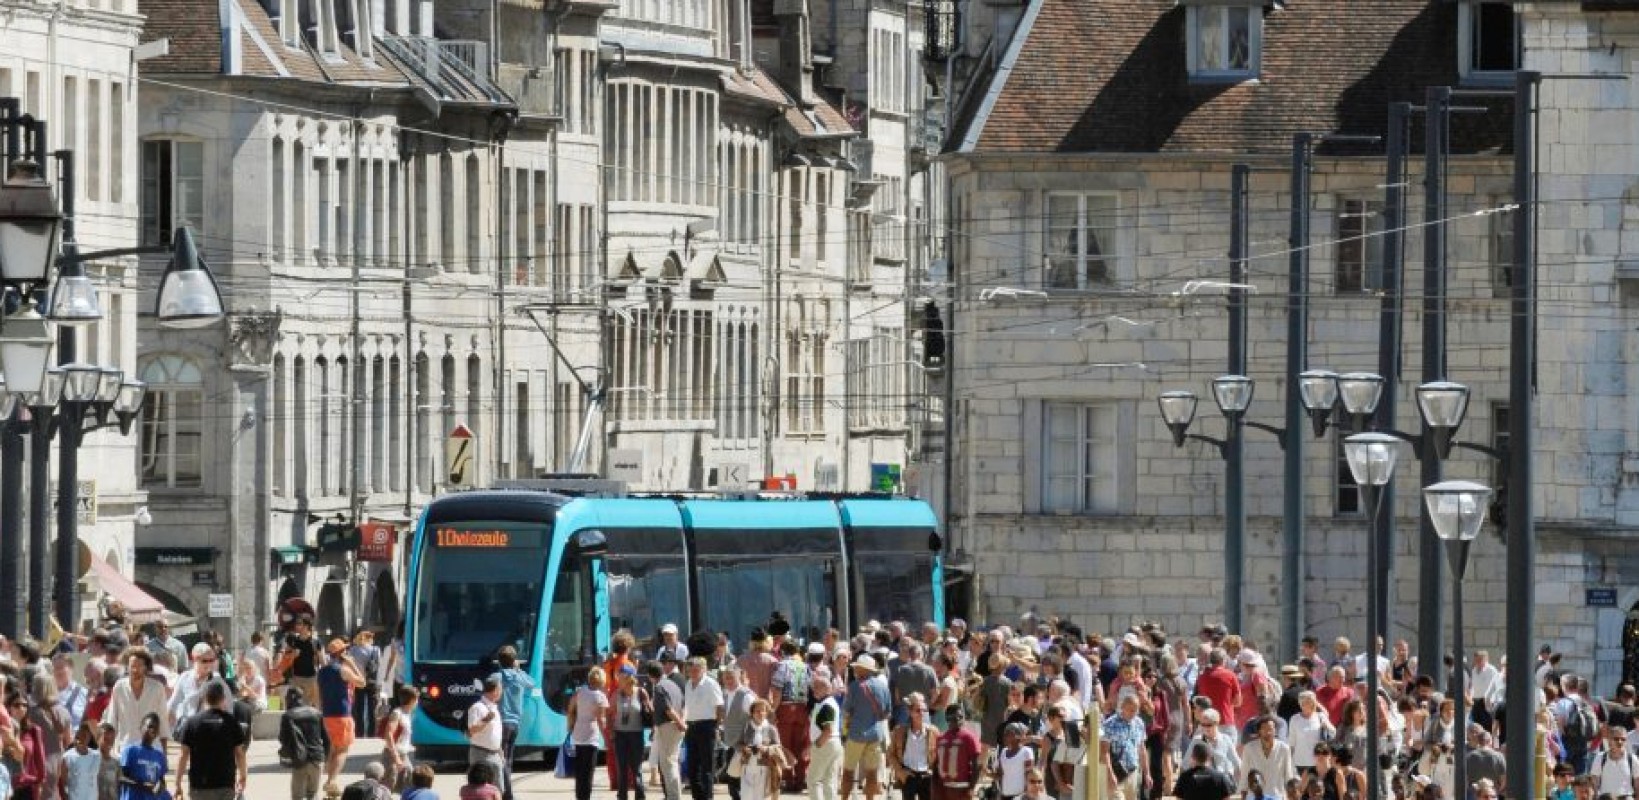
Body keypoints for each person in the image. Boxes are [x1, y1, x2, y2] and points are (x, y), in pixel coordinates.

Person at [174, 681, 247, 800]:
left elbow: (183, 755)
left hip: (199, 786)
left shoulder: (192, 722)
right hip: (225, 784)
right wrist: (243, 776)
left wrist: (178, 782)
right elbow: (240, 753)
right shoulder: (231, 722)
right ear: (223, 698)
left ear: (204, 698)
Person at [841, 654, 892, 800]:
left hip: (856, 733)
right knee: (872, 773)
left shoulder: (854, 686)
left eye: (857, 667)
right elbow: (888, 713)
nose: (855, 669)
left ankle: (844, 798)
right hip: (875, 734)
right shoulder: (883, 686)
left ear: (863, 669)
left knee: (848, 771)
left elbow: (846, 712)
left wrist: (845, 730)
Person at [104, 653, 168, 756]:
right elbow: (112, 718)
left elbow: (163, 720)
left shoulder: (157, 688)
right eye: (132, 666)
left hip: (151, 749)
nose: (135, 670)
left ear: (146, 668)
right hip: (125, 749)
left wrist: (164, 753)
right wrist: (109, 748)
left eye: (139, 666)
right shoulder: (119, 687)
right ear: (127, 667)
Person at [493, 646, 535, 800]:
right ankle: (506, 790)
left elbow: (487, 684)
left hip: (501, 722)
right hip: (515, 723)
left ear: (499, 661)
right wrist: (518, 670)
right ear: (514, 661)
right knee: (508, 759)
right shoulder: (520, 677)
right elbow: (532, 682)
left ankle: (507, 793)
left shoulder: (496, 677)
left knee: (501, 758)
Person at [682, 657, 725, 800]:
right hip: (691, 726)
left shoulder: (711, 684)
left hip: (707, 726)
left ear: (704, 669)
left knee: (707, 767)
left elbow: (720, 707)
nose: (693, 672)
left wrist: (717, 727)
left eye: (696, 669)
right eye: (691, 670)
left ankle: (707, 797)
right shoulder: (688, 684)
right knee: (693, 767)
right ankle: (697, 796)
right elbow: (687, 706)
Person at [277, 687, 330, 800]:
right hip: (316, 758)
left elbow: (282, 738)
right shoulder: (316, 713)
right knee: (313, 794)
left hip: (299, 759)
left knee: (297, 796)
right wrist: (325, 758)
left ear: (288, 699)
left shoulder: (288, 716)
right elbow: (326, 739)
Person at [569, 667, 612, 800]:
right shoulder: (600, 697)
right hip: (591, 735)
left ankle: (579, 796)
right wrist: (606, 738)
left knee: (579, 770)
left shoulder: (580, 691)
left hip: (578, 733)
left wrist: (571, 726)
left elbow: (570, 708)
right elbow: (601, 719)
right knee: (588, 771)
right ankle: (586, 797)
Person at [610, 665, 651, 800]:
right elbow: (609, 713)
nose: (618, 678)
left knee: (636, 768)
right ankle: (622, 796)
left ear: (628, 677)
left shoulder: (640, 692)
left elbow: (650, 711)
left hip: (636, 734)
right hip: (620, 735)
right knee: (621, 768)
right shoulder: (616, 694)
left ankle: (640, 795)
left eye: (620, 675)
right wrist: (611, 731)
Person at [649, 658, 686, 800]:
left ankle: (673, 796)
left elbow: (668, 709)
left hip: (667, 726)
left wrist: (679, 722)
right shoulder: (673, 684)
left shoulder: (659, 688)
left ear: (651, 676)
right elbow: (683, 705)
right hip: (677, 726)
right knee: (673, 762)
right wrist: (682, 721)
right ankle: (676, 795)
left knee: (667, 765)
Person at [890, 694, 938, 800]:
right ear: (910, 712)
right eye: (918, 710)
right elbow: (891, 754)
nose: (921, 713)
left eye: (924, 710)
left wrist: (933, 771)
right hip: (908, 775)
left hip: (926, 776)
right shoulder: (899, 731)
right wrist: (900, 771)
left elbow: (940, 755)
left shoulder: (933, 732)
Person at [1102, 693, 1149, 800]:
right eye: (1130, 710)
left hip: (1133, 772)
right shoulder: (1110, 724)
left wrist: (1147, 774)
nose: (1133, 713)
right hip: (1116, 773)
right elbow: (1104, 752)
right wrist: (1110, 775)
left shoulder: (1139, 723)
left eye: (1136, 710)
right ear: (1122, 707)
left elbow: (1142, 749)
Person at [738, 699, 784, 800]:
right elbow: (739, 744)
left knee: (760, 797)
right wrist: (745, 748)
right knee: (746, 796)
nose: (760, 713)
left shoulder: (771, 729)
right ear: (752, 713)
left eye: (763, 710)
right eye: (757, 711)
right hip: (747, 767)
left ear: (766, 712)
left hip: (764, 768)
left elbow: (778, 747)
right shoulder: (746, 727)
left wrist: (766, 748)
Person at [933, 706, 981, 800]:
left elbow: (976, 765)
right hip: (944, 787)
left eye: (961, 716)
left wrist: (971, 788)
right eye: (955, 717)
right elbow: (936, 764)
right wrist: (935, 787)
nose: (958, 719)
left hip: (962, 787)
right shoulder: (941, 738)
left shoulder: (969, 737)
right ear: (947, 718)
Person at [167, 643, 220, 730]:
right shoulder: (185, 677)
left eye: (211, 660)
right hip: (186, 727)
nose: (209, 664)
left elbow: (224, 709)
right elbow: (173, 702)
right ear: (195, 660)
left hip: (208, 728)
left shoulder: (217, 680)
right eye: (205, 661)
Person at [809, 675, 844, 800]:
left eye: (818, 687)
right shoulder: (828, 703)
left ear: (827, 688)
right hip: (833, 743)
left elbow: (827, 730)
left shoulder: (826, 705)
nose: (814, 690)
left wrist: (817, 745)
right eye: (814, 687)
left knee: (814, 780)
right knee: (829, 781)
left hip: (826, 743)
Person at [115, 713, 165, 800]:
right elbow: (120, 777)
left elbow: (161, 779)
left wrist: (160, 787)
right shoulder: (130, 750)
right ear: (141, 727)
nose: (152, 729)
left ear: (158, 733)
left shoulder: (159, 756)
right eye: (149, 726)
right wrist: (141, 785)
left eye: (155, 728)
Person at [379, 685, 418, 791]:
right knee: (388, 785)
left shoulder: (407, 714)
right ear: (412, 700)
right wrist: (396, 757)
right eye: (416, 699)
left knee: (409, 781)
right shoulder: (397, 713)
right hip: (391, 755)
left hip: (403, 755)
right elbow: (389, 734)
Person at [467, 674, 505, 781]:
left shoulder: (494, 708)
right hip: (481, 754)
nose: (501, 693)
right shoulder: (477, 707)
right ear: (495, 691)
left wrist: (500, 752)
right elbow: (472, 730)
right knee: (480, 786)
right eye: (500, 690)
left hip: (495, 754)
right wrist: (486, 720)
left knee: (498, 789)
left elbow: (495, 733)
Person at [346, 631, 381, 739]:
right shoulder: (375, 650)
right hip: (371, 682)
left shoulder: (352, 650)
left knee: (359, 709)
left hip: (358, 681)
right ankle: (371, 733)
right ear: (369, 639)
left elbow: (349, 664)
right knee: (372, 709)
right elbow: (378, 666)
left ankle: (359, 733)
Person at [1173, 741, 1237, 800]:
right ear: (1209, 758)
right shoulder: (1220, 777)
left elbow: (1179, 798)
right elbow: (1226, 798)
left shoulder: (1184, 777)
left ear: (1192, 757)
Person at [993, 723, 1035, 800]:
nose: (1004, 736)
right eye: (1005, 733)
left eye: (1008, 733)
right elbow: (999, 775)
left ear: (1017, 736)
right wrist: (985, 772)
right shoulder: (1003, 752)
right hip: (1005, 795)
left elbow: (1029, 775)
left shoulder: (1027, 752)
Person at [59, 723, 100, 800]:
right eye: (81, 735)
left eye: (86, 735)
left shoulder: (96, 756)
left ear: (90, 737)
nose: (83, 738)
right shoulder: (67, 756)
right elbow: (64, 783)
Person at [94, 723, 117, 800]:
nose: (109, 743)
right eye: (106, 739)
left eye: (112, 739)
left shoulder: (115, 763)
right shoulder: (90, 759)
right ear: (97, 739)